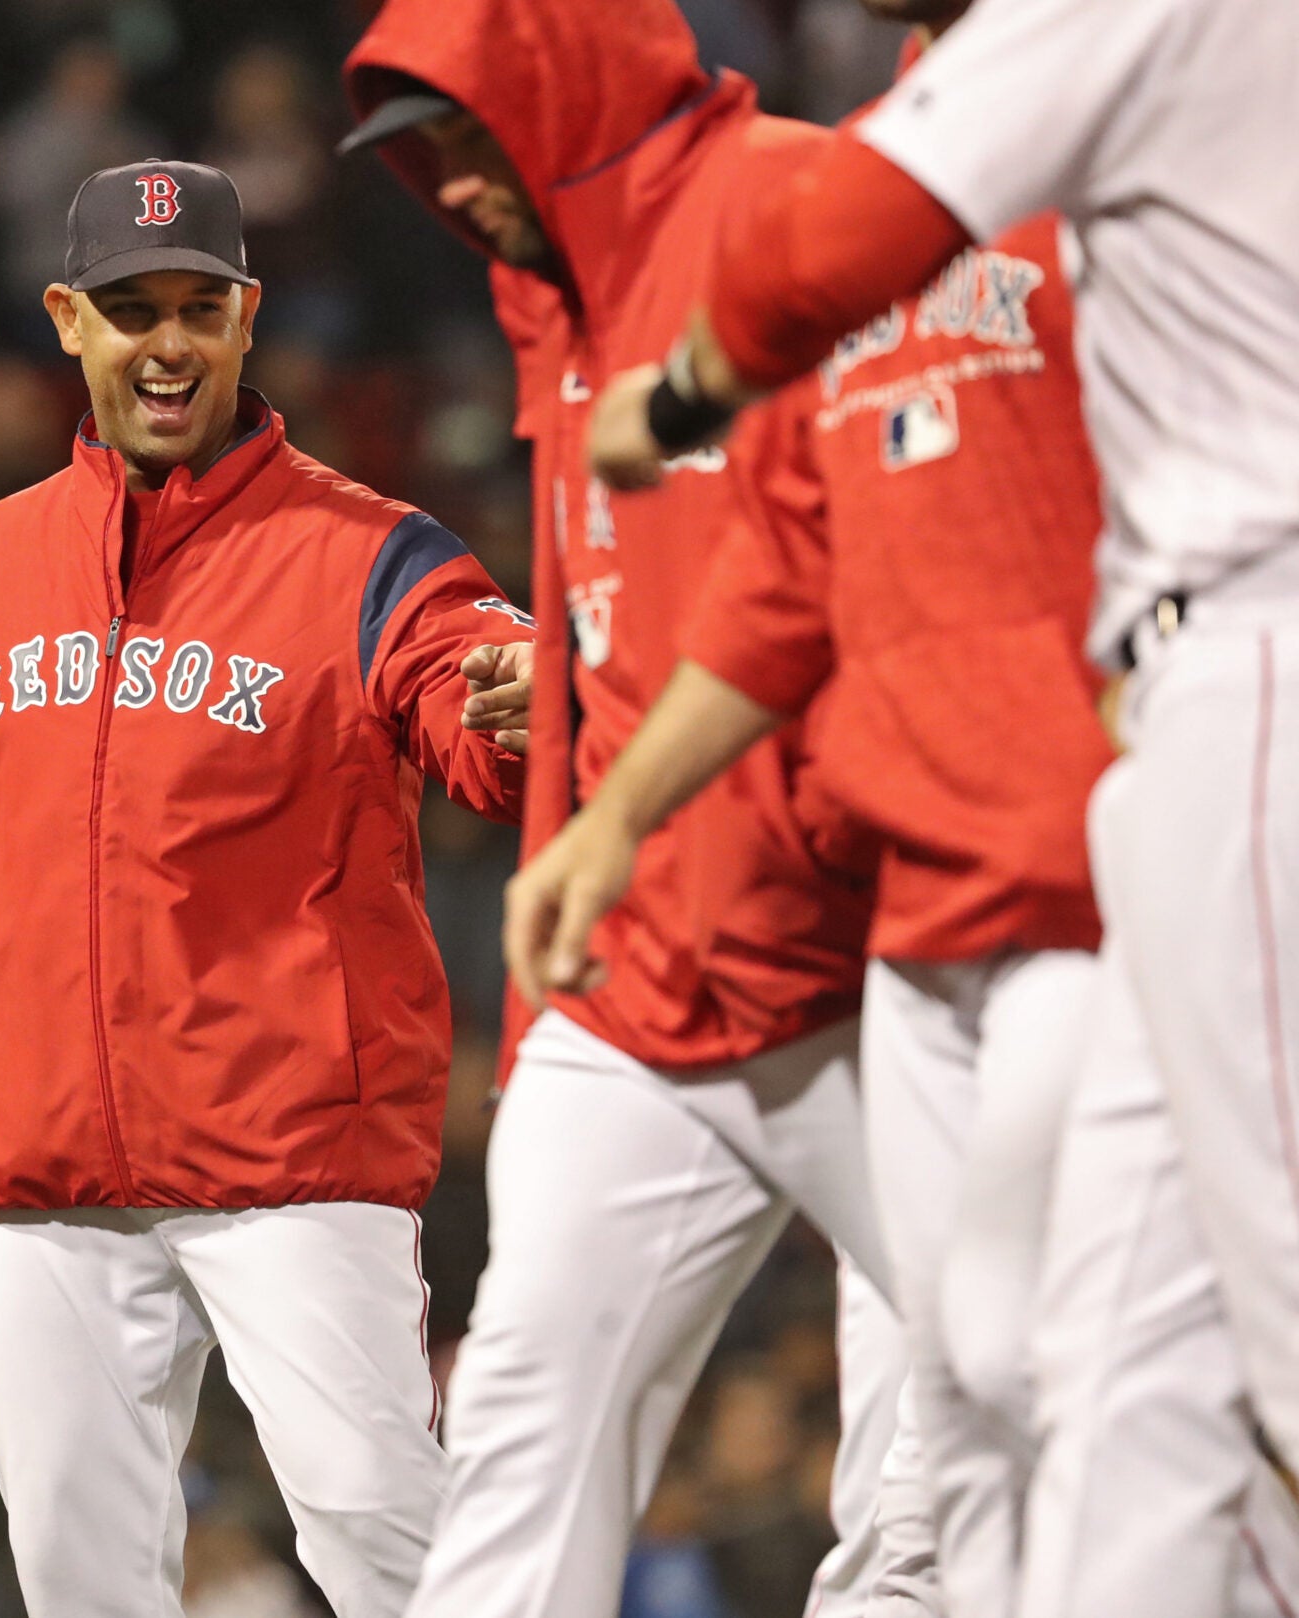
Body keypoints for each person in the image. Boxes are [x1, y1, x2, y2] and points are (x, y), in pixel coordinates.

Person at [504, 4, 1299, 1614]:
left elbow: (818, 265)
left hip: (1157, 781)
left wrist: (684, 389)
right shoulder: (926, 136)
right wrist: (617, 813)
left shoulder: (1086, 76)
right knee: (1021, 1372)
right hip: (952, 887)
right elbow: (791, 561)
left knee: (1243, 1319)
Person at [0, 159, 535, 1618]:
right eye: (133, 310)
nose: (168, 342)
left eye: (200, 305)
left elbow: (472, 693)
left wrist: (518, 702)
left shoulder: (370, 555)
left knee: (384, 1532)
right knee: (77, 1577)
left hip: (291, 1156)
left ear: (248, 319)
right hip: (49, 1173)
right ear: (69, 320)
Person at [336, 2, 938, 1615]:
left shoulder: (807, 196)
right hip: (645, 971)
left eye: (475, 135)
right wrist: (587, 723)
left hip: (877, 961)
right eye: (430, 156)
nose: (455, 186)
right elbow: (630, 586)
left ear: (568, 94)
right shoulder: (553, 285)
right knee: (522, 1441)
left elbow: (875, 544)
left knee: (965, 1439)